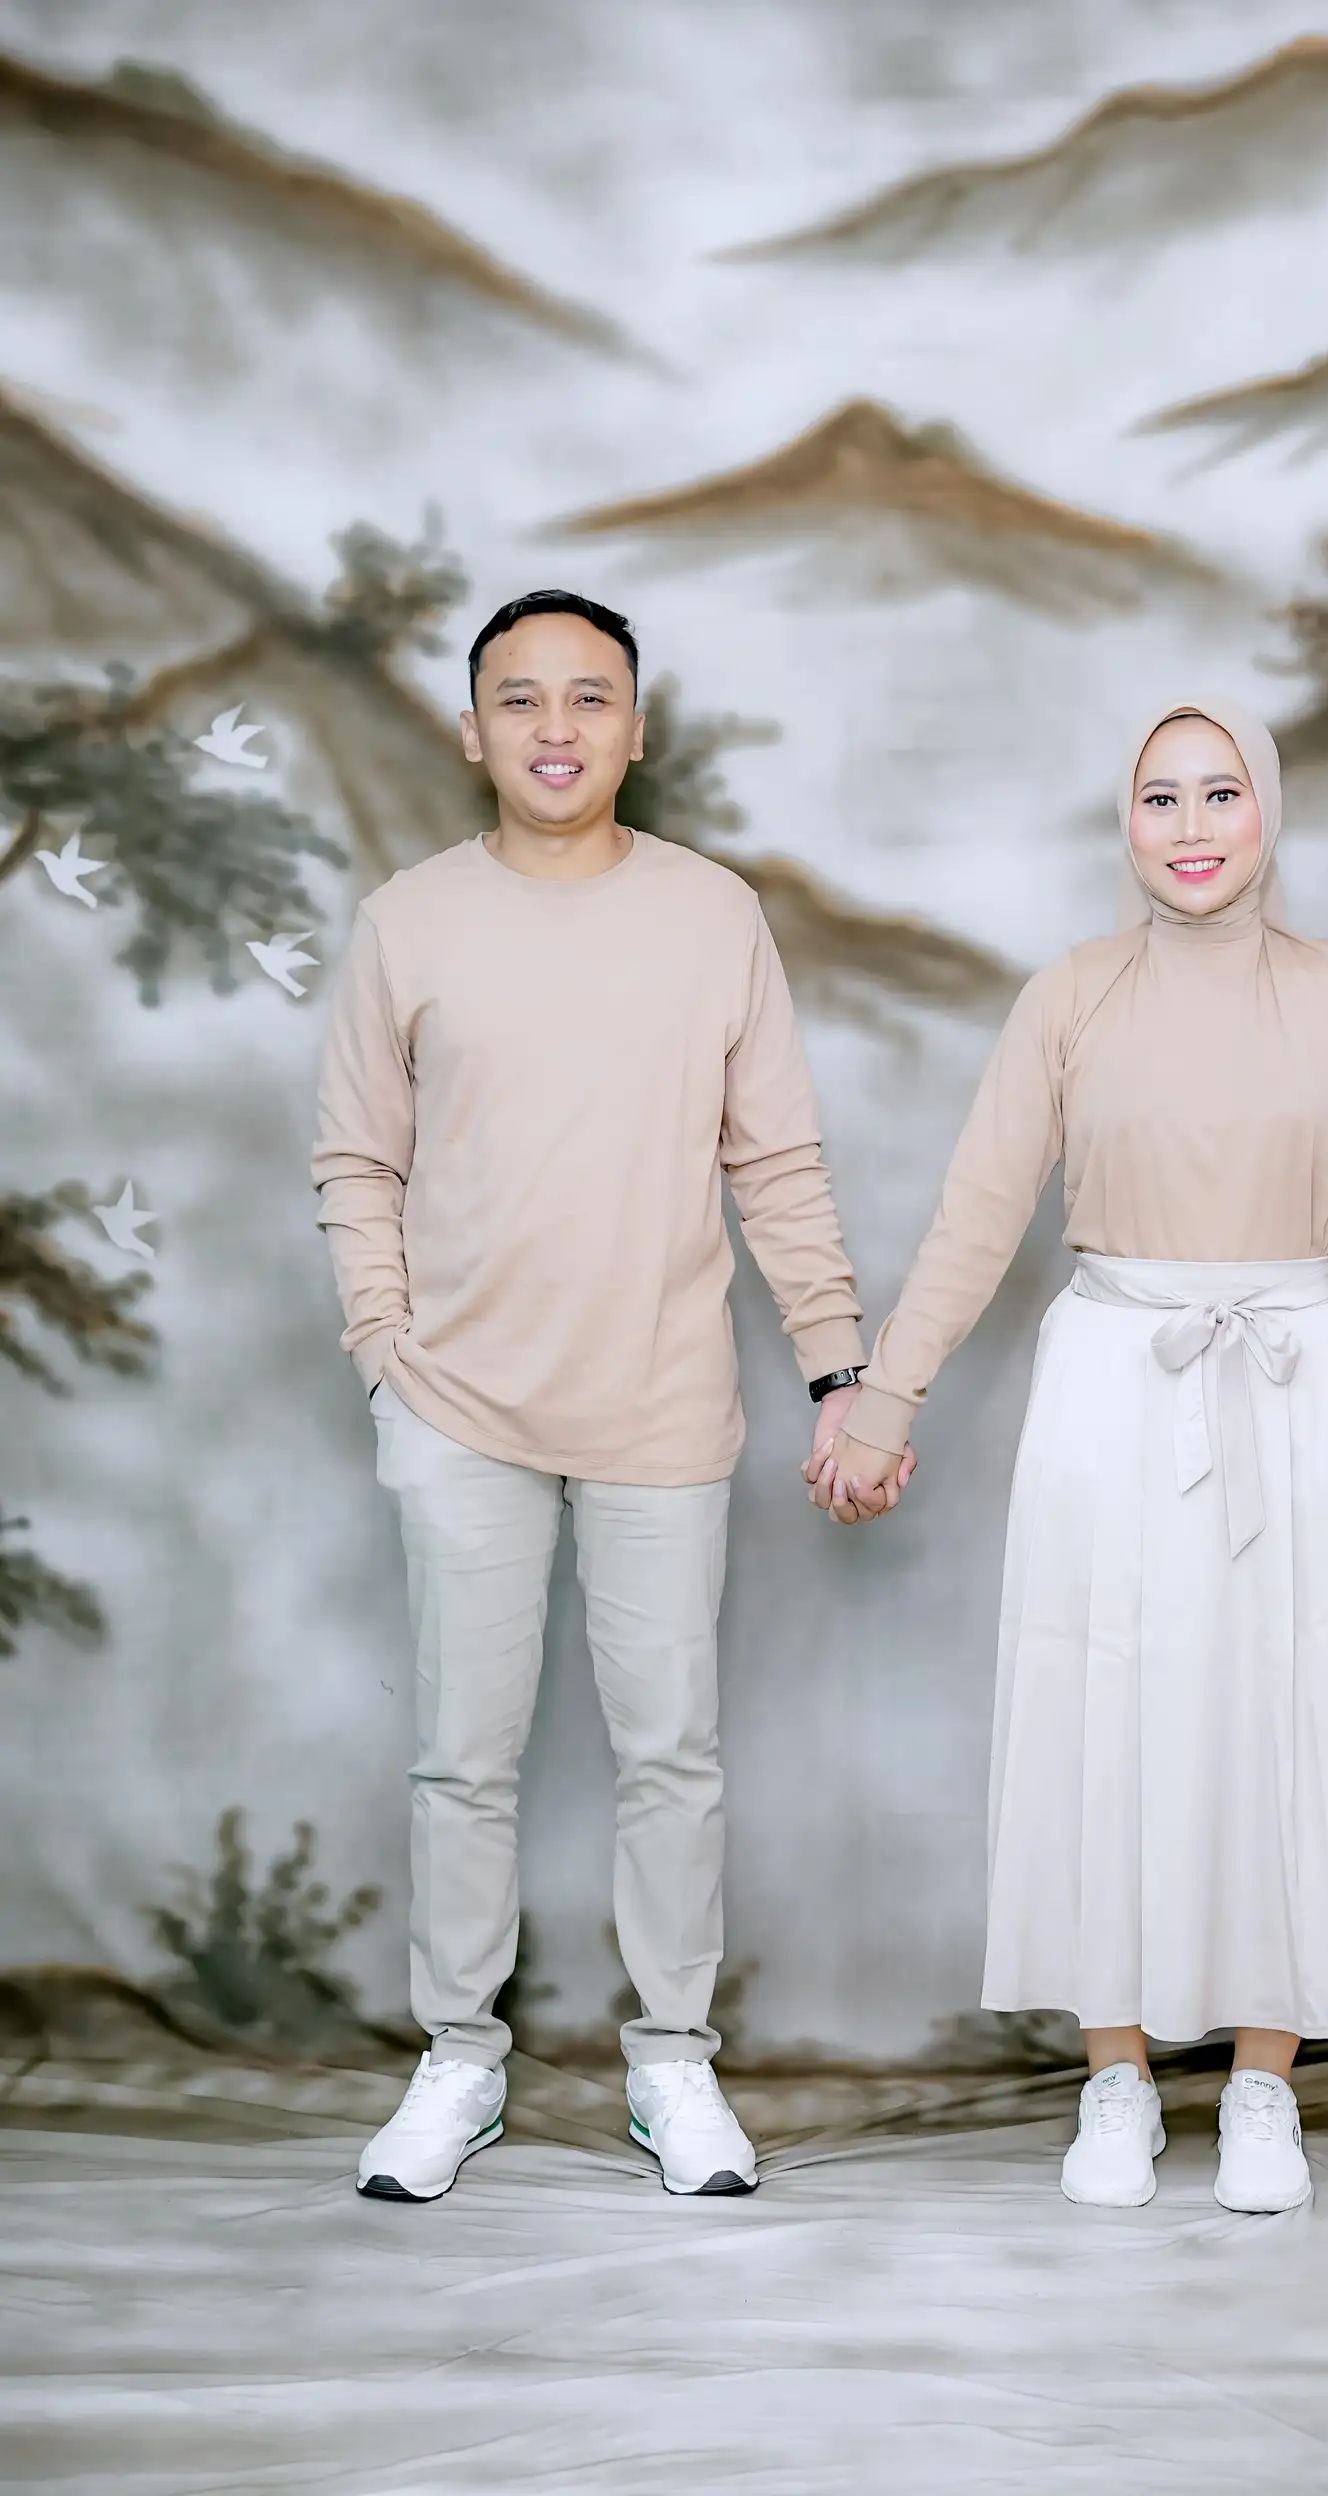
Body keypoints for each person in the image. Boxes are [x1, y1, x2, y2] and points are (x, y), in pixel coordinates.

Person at [808, 697, 1328, 2215]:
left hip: (1300, 1384)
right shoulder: (1071, 997)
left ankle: (1262, 2083)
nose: (1191, 828)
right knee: (1107, 1706)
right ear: (1126, 821)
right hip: (1112, 1381)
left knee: (1284, 1713)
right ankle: (1114, 2075)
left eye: (1222, 793)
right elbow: (978, 1214)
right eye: (1161, 798)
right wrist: (885, 1401)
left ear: (1268, 809)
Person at [313, 590, 883, 2203]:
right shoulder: (408, 921)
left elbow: (777, 1163)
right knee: (461, 1755)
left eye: (589, 697)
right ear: (471, 729)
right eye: (521, 698)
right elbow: (357, 1159)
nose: (554, 728)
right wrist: (385, 1352)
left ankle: (673, 2065)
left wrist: (838, 1364)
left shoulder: (714, 916)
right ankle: (459, 2059)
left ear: (637, 728)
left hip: (660, 1405)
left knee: (671, 1753)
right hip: (458, 1409)